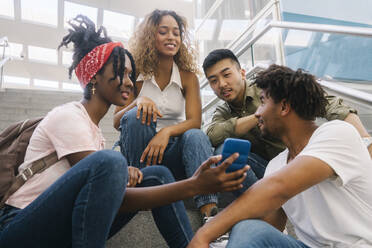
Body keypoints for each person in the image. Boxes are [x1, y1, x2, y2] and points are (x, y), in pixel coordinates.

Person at [0, 15, 249, 248]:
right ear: (95, 77)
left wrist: (120, 172)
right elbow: (121, 198)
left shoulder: (94, 133)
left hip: (62, 227)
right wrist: (194, 185)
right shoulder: (68, 115)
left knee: (157, 174)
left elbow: (101, 198)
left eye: (130, 73)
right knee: (111, 160)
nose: (129, 81)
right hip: (21, 224)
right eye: (121, 72)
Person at [188, 64, 372, 248]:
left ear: (284, 106)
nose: (257, 113)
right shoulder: (276, 165)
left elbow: (278, 188)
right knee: (249, 228)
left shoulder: (337, 133)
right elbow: (270, 226)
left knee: (249, 229)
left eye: (262, 101)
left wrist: (206, 232)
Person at [203, 48, 372, 186]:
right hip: (270, 170)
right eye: (213, 81)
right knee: (224, 152)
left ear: (242, 73)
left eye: (226, 75)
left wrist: (365, 140)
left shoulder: (267, 87)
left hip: (304, 160)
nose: (222, 84)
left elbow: (327, 102)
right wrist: (260, 115)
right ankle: (263, 206)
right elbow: (212, 135)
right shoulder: (223, 111)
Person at [113, 10, 219, 221]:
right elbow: (117, 122)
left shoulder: (188, 78)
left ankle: (210, 214)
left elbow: (195, 122)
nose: (171, 37)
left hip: (175, 152)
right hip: (140, 152)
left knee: (196, 136)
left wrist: (167, 133)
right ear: (151, 36)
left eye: (176, 33)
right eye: (163, 32)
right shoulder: (134, 75)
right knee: (136, 116)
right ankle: (139, 193)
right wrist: (138, 101)